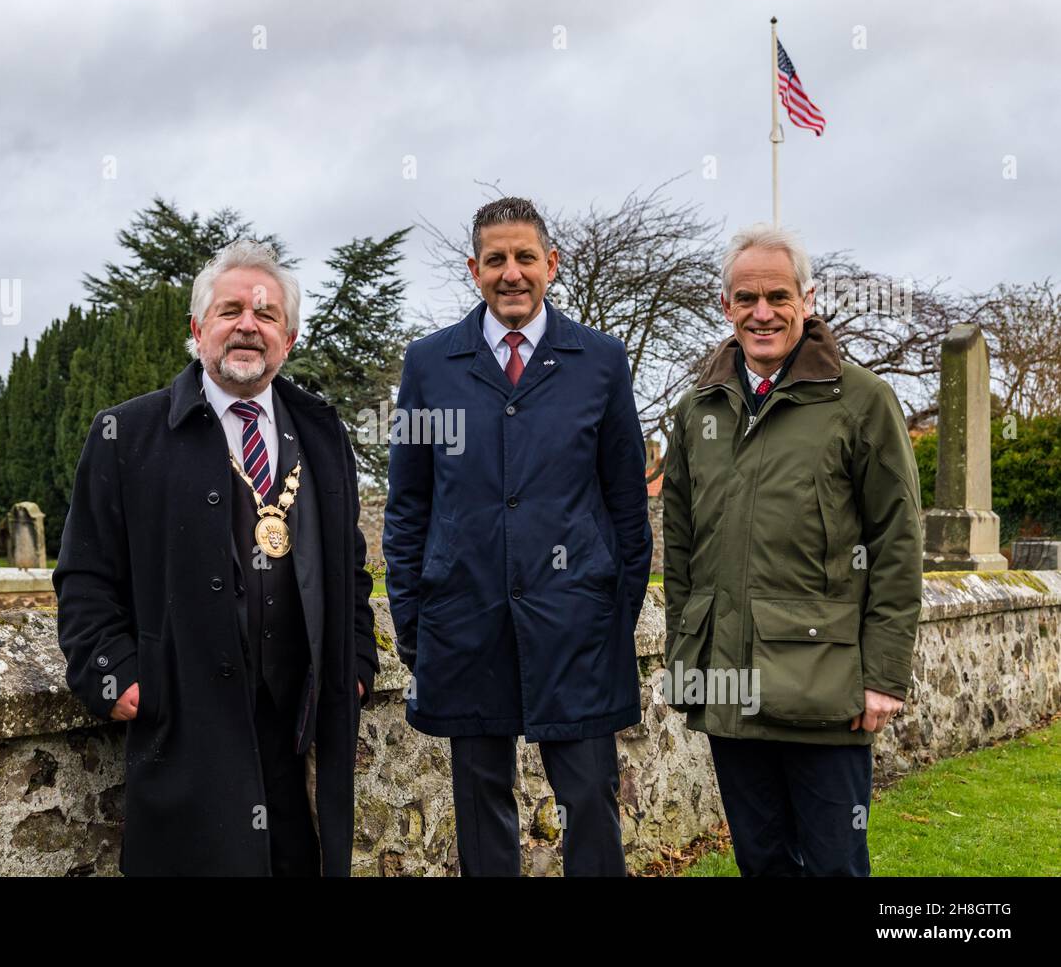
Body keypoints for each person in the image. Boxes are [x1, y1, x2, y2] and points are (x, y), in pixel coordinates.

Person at [54, 239, 377, 876]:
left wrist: (356, 662)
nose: (248, 326)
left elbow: (351, 567)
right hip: (185, 725)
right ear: (199, 328)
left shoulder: (322, 431)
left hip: (299, 724)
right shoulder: (127, 434)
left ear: (289, 335)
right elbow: (84, 575)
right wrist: (114, 674)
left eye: (266, 314)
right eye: (231, 311)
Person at [383, 197, 653, 876]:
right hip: (465, 618)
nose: (511, 272)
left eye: (525, 257)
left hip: (577, 624)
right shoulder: (429, 364)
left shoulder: (600, 361)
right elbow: (409, 502)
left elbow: (626, 505)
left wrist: (611, 614)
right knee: (481, 801)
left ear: (551, 264)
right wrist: (414, 616)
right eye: (496, 259)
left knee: (590, 798)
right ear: (473, 268)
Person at [661, 224, 922, 876]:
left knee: (835, 867)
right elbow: (682, 545)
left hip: (824, 687)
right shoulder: (698, 410)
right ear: (725, 306)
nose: (762, 312)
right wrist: (685, 656)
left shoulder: (862, 400)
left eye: (777, 296)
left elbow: (897, 538)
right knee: (762, 863)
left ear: (805, 298)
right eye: (745, 298)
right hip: (729, 688)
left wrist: (883, 673)